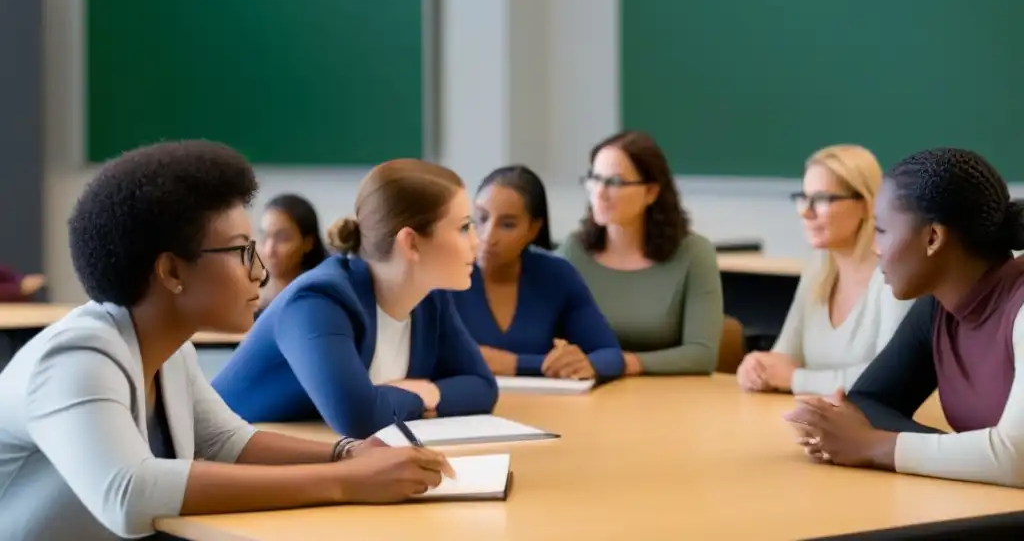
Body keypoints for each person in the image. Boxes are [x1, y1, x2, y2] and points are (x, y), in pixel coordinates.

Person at [0, 141, 454, 541]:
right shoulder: (77, 356)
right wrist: (345, 481)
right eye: (242, 251)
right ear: (172, 271)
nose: (260, 271)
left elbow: (226, 443)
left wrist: (347, 453)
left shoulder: (169, 348)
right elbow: (129, 494)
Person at [784, 147, 1024, 488]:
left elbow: (1016, 458)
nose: (875, 248)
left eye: (881, 231)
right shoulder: (938, 307)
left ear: (932, 238)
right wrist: (967, 457)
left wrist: (873, 446)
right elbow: (867, 402)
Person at [213, 159, 499, 439]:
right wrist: (417, 394)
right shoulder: (318, 301)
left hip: (319, 462)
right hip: (224, 467)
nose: (477, 241)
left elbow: (482, 387)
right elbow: (360, 417)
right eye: (464, 227)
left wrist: (428, 393)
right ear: (411, 243)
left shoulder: (430, 299)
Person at [737, 145, 913, 395]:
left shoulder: (898, 276)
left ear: (867, 204)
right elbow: (784, 357)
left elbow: (890, 379)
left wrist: (796, 379)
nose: (806, 212)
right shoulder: (818, 270)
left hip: (878, 429)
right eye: (803, 197)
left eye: (822, 199)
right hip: (819, 421)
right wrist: (757, 367)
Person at [558, 130, 724, 375]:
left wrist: (617, 363)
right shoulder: (573, 251)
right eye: (595, 178)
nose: (599, 193)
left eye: (615, 182)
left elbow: (702, 354)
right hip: (587, 394)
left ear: (651, 192)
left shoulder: (693, 253)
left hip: (669, 400)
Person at [452, 165, 624, 381]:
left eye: (507, 225)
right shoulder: (443, 275)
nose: (488, 236)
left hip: (541, 406)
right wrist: (538, 364)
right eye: (481, 218)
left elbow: (611, 355)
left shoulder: (556, 276)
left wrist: (582, 364)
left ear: (533, 229)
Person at [257, 194, 328, 313]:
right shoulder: (252, 299)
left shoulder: (316, 302)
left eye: (283, 238)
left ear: (308, 243)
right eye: (264, 237)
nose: (269, 251)